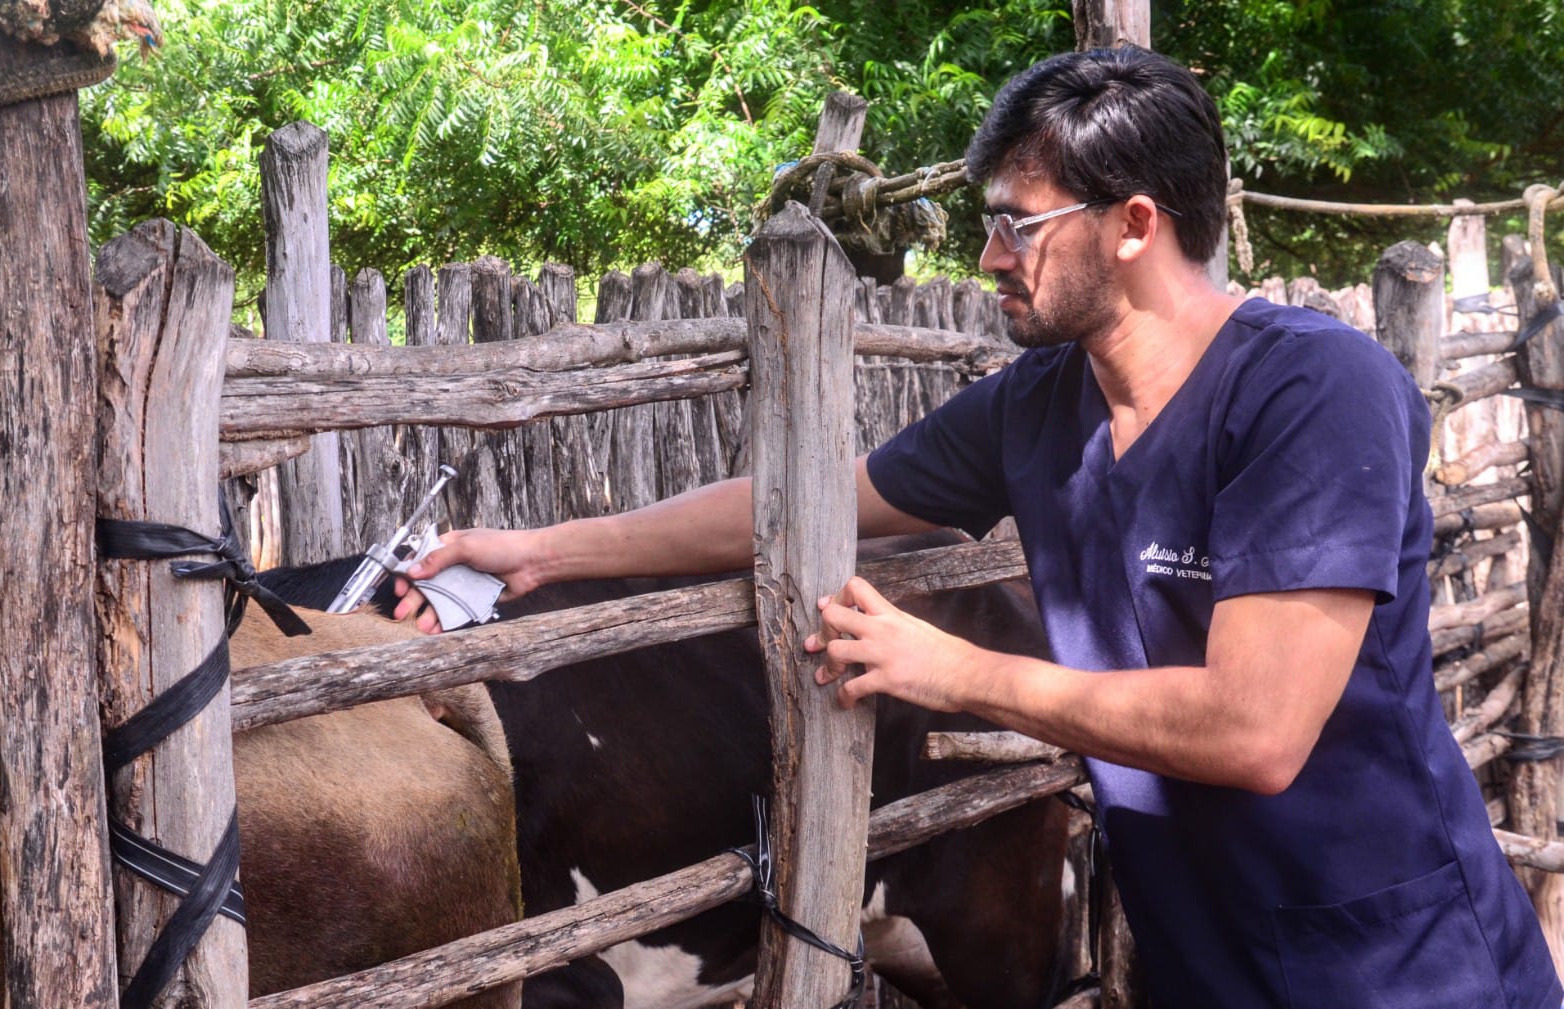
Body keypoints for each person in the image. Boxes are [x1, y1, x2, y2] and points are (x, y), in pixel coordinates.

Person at [398, 46, 1561, 1009]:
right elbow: (797, 506)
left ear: (1133, 224)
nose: (985, 255)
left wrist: (954, 670)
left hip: (1398, 965)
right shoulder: (1039, 405)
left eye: (1014, 222)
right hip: (1204, 961)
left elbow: (1253, 730)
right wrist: (542, 551)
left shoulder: (1317, 390)